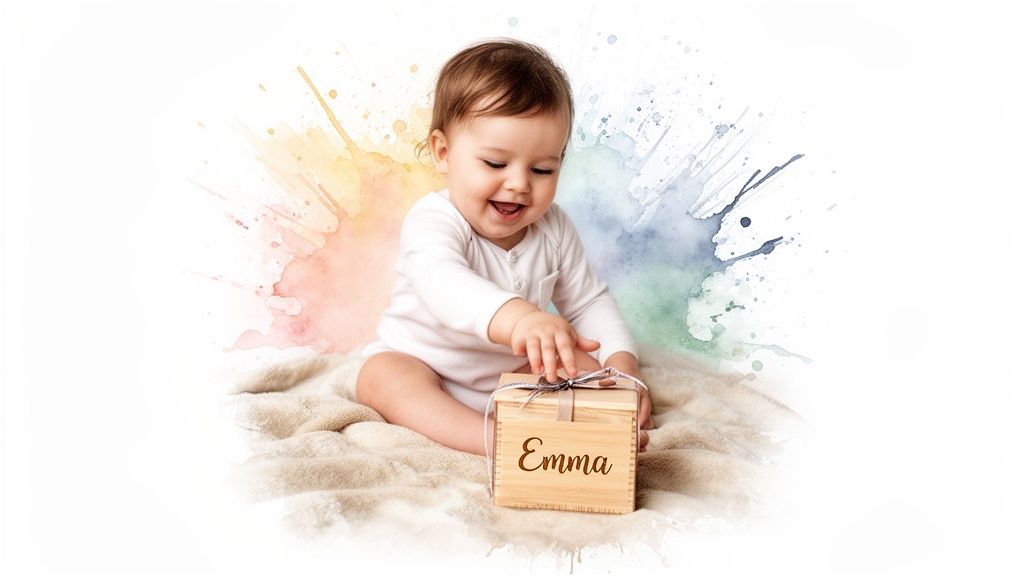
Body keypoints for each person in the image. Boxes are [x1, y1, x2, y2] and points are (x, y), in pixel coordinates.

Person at [356, 39, 653, 455]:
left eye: (542, 169)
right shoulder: (434, 219)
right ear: (444, 152)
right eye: (495, 164)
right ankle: (492, 439)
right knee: (381, 376)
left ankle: (595, 438)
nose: (518, 183)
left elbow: (587, 304)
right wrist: (521, 320)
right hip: (426, 366)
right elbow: (442, 283)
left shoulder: (554, 228)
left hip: (513, 371)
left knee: (590, 373)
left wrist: (622, 365)